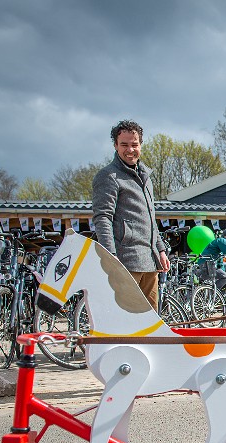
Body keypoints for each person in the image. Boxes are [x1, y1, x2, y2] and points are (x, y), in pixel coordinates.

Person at [92, 120, 169, 311]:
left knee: (151, 321)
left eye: (134, 144)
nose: (130, 150)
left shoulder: (146, 177)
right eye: (124, 144)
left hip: (150, 263)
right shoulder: (108, 177)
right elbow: (103, 218)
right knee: (124, 318)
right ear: (115, 146)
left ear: (140, 145)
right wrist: (110, 257)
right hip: (126, 263)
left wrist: (160, 249)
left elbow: (150, 218)